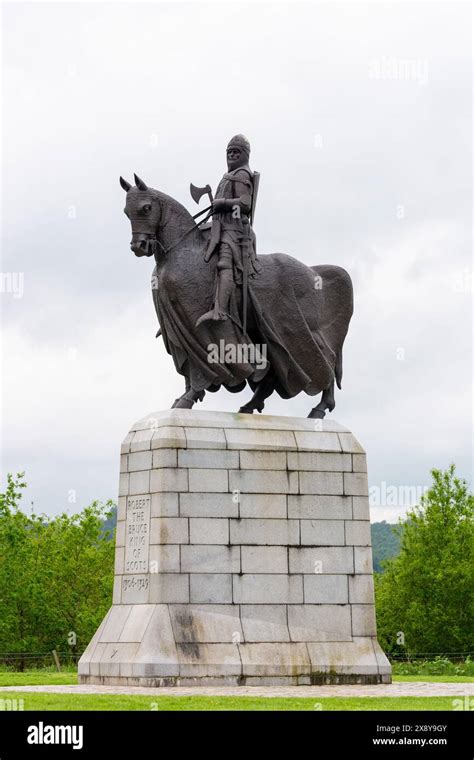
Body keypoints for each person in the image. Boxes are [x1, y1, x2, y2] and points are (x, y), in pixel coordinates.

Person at [195, 134, 261, 327]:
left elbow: (244, 204)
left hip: (234, 230)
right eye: (229, 152)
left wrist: (222, 203)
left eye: (236, 152)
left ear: (244, 155)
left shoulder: (241, 175)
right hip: (220, 226)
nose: (231, 155)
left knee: (224, 263)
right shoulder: (228, 177)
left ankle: (221, 311)